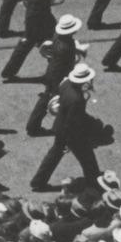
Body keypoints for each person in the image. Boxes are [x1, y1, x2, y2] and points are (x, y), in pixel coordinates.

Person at [29, 63, 104, 191]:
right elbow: (73, 123)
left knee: (54, 154)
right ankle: (94, 184)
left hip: (59, 126)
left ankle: (38, 181)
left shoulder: (66, 84)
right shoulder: (77, 99)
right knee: (87, 158)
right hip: (71, 133)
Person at [27, 14, 83, 135]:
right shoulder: (66, 46)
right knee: (48, 99)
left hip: (52, 71)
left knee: (46, 97)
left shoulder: (58, 37)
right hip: (58, 76)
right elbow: (64, 65)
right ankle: (33, 126)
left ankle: (32, 126)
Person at [2, 0, 58, 79]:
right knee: (53, 44)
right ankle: (56, 70)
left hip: (38, 22)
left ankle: (8, 72)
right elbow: (38, 13)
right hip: (39, 24)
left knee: (24, 48)